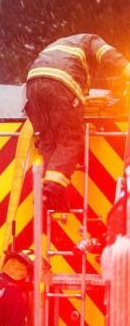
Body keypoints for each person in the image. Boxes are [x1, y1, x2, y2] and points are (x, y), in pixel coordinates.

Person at [25, 33, 130, 212]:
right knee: (69, 139)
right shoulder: (89, 41)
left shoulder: (61, 46)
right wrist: (126, 69)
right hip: (59, 85)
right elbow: (107, 55)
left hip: (32, 86)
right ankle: (51, 190)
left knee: (49, 142)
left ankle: (50, 196)